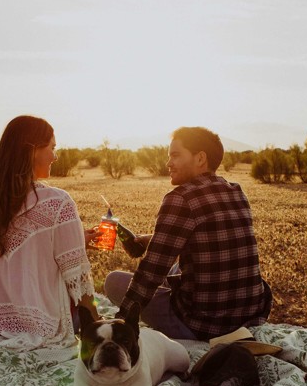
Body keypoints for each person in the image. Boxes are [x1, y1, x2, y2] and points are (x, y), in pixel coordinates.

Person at [103, 126, 271, 340]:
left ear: (200, 158)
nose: (168, 163)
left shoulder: (181, 198)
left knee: (113, 282)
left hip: (202, 325)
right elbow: (210, 238)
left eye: (175, 155)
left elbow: (151, 273)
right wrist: (152, 240)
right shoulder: (236, 191)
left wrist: (121, 322)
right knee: (175, 266)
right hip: (249, 314)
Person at [0, 115, 97, 349]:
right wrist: (97, 323)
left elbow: (26, 252)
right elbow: (78, 278)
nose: (55, 156)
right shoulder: (57, 202)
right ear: (33, 151)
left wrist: (78, 240)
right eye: (52, 147)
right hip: (45, 324)